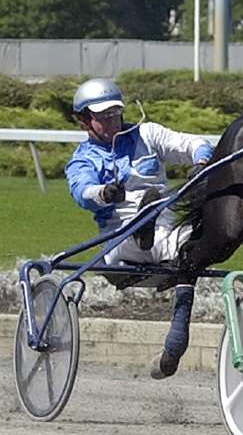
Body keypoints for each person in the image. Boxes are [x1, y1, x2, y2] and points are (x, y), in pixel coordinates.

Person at [65, 78, 213, 380]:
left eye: (115, 113)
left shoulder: (148, 134)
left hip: (167, 229)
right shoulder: (82, 159)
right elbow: (82, 191)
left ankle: (174, 344)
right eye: (102, 116)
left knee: (198, 240)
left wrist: (201, 161)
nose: (112, 121)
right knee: (147, 228)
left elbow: (194, 143)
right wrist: (104, 193)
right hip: (120, 246)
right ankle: (142, 224)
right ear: (84, 121)